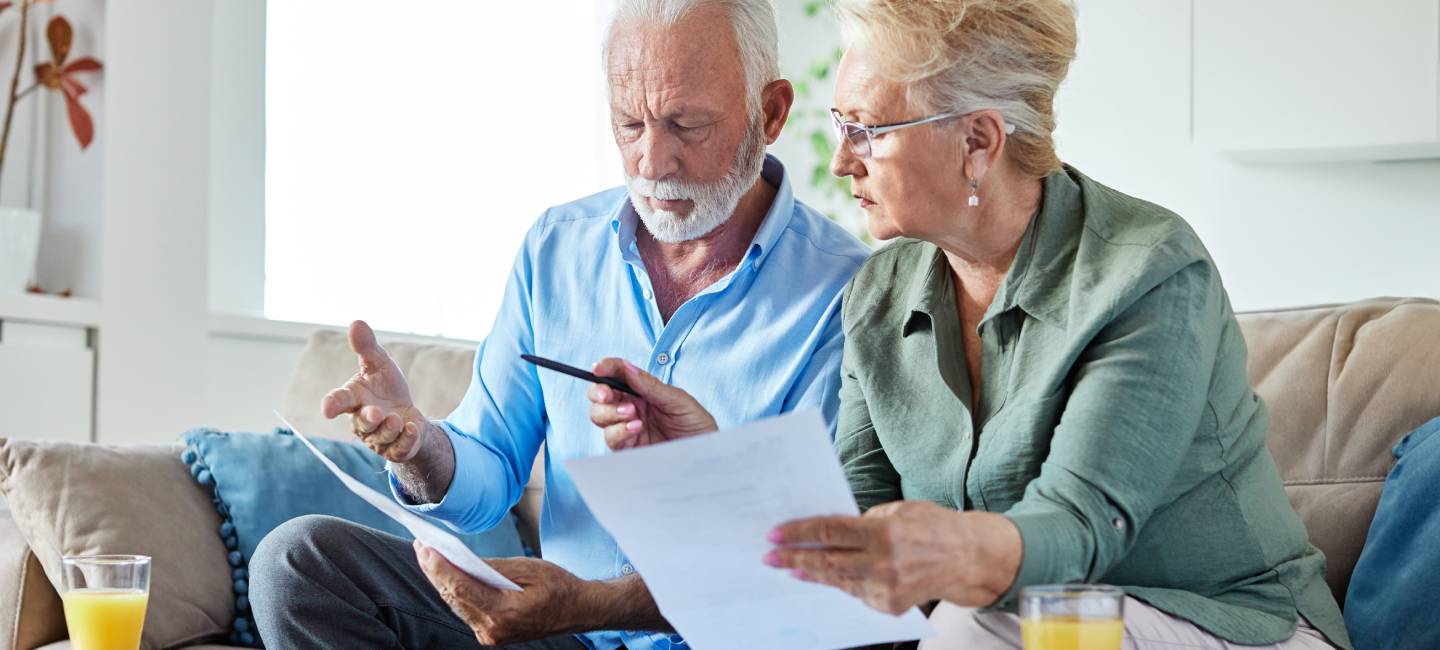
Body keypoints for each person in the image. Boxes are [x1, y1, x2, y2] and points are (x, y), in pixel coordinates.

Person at [587, 1, 1352, 648]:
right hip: (1025, 624)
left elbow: (1080, 531)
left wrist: (943, 552)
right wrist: (714, 462)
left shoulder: (1147, 272)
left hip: (1228, 625)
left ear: (978, 142)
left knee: (972, 625)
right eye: (840, 124)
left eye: (868, 131)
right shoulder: (879, 295)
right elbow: (848, 526)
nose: (840, 163)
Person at [247, 0, 870, 648]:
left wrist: (601, 595)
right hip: (556, 635)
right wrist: (417, 445)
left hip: (728, 638)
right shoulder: (557, 249)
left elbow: (816, 573)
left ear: (769, 113)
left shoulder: (848, 295)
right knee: (300, 565)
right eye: (630, 123)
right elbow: (486, 477)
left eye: (687, 125)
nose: (652, 161)